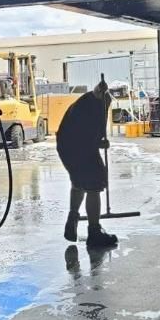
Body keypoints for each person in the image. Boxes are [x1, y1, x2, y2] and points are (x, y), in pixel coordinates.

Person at [57, 77, 119, 248]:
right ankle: (94, 233)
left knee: (78, 182)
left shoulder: (86, 103)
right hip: (78, 148)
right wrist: (98, 143)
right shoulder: (93, 107)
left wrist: (98, 142)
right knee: (95, 184)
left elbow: (83, 133)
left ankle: (73, 218)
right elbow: (85, 136)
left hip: (66, 147)